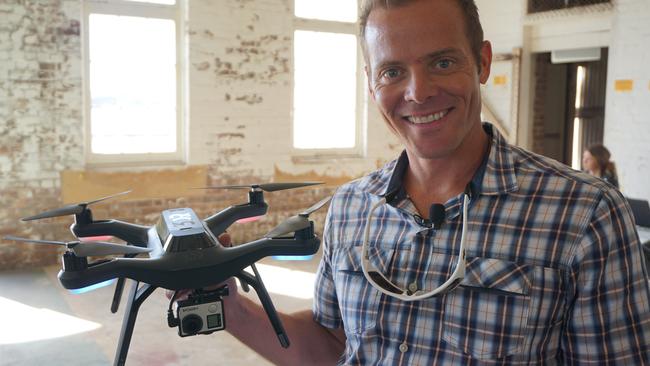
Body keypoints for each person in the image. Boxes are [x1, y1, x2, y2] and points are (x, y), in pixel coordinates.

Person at [173, 1, 650, 364]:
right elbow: (331, 345)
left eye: (442, 62)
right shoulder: (351, 207)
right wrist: (227, 305)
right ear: (371, 81)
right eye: (393, 71)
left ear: (482, 62)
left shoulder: (584, 214)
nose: (418, 92)